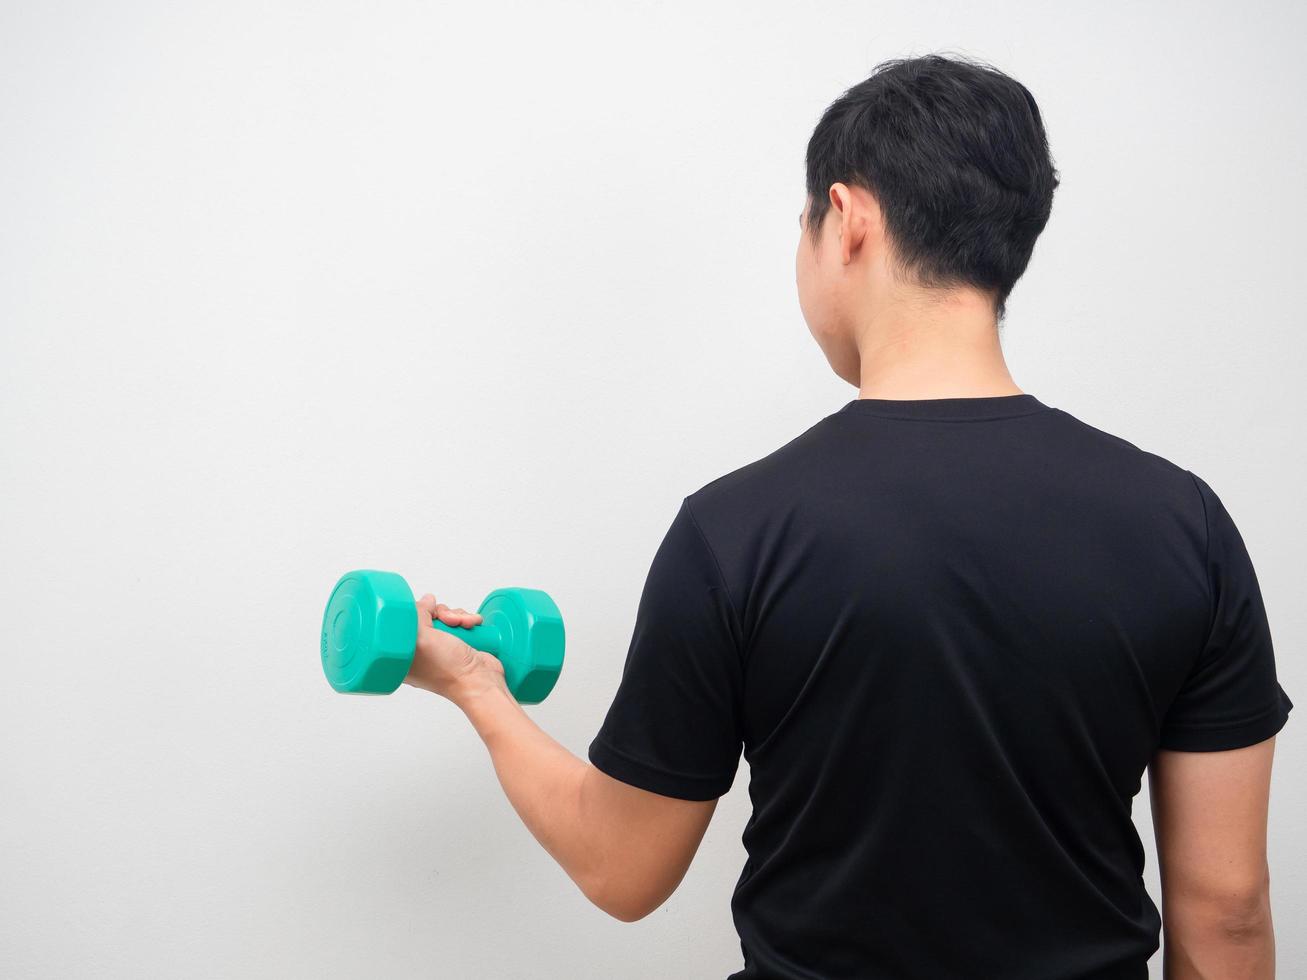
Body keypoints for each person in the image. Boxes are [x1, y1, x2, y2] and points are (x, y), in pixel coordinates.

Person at [403, 53, 1293, 980]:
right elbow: (1227, 911)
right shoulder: (1182, 523)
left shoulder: (733, 532)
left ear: (849, 219)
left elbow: (619, 866)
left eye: (804, 226)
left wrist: (476, 686)